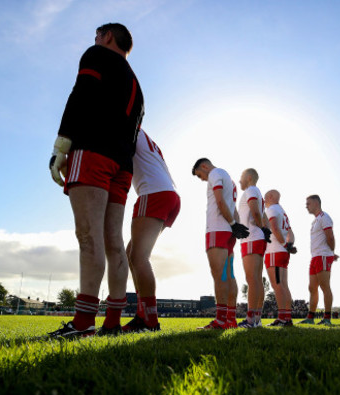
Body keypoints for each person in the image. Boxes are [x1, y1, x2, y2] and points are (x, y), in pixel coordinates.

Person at [48, 23, 144, 338]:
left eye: (97, 36)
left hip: (93, 151)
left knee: (88, 237)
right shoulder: (137, 84)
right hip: (122, 164)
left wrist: (61, 145)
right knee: (113, 241)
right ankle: (112, 321)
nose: (94, 41)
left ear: (107, 37)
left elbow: (81, 95)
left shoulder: (97, 55)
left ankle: (83, 322)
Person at [113, 128, 181, 334]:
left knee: (139, 257)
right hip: (169, 194)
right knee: (132, 254)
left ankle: (149, 320)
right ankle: (143, 315)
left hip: (154, 192)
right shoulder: (145, 136)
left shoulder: (129, 126)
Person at [192, 158, 249, 329]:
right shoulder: (229, 179)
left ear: (204, 166)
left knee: (219, 276)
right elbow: (233, 209)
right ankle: (230, 319)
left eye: (200, 175)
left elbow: (220, 201)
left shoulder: (215, 173)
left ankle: (221, 320)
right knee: (228, 275)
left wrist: (233, 224)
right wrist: (236, 226)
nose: (202, 179)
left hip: (217, 230)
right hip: (228, 232)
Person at [237, 169, 271, 328]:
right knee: (256, 278)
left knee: (252, 279)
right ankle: (256, 319)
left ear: (249, 178)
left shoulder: (251, 190)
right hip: (255, 237)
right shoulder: (257, 192)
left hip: (251, 237)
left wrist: (261, 228)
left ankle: (251, 320)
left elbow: (256, 212)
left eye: (241, 177)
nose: (239, 181)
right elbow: (263, 215)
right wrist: (265, 229)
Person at [300, 195, 338, 325]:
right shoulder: (315, 220)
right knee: (312, 287)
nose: (306, 206)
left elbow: (330, 237)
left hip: (322, 256)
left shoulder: (324, 217)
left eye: (308, 203)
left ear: (316, 203)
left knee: (324, 286)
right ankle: (310, 317)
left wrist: (331, 253)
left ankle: (327, 318)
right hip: (315, 256)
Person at [264, 189, 296, 327]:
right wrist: (288, 245)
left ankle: (282, 318)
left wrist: (283, 244)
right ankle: (286, 317)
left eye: (265, 198)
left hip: (274, 251)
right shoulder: (282, 211)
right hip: (282, 252)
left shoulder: (271, 209)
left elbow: (274, 228)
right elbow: (290, 232)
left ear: (270, 197)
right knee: (283, 285)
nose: (264, 202)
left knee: (277, 285)